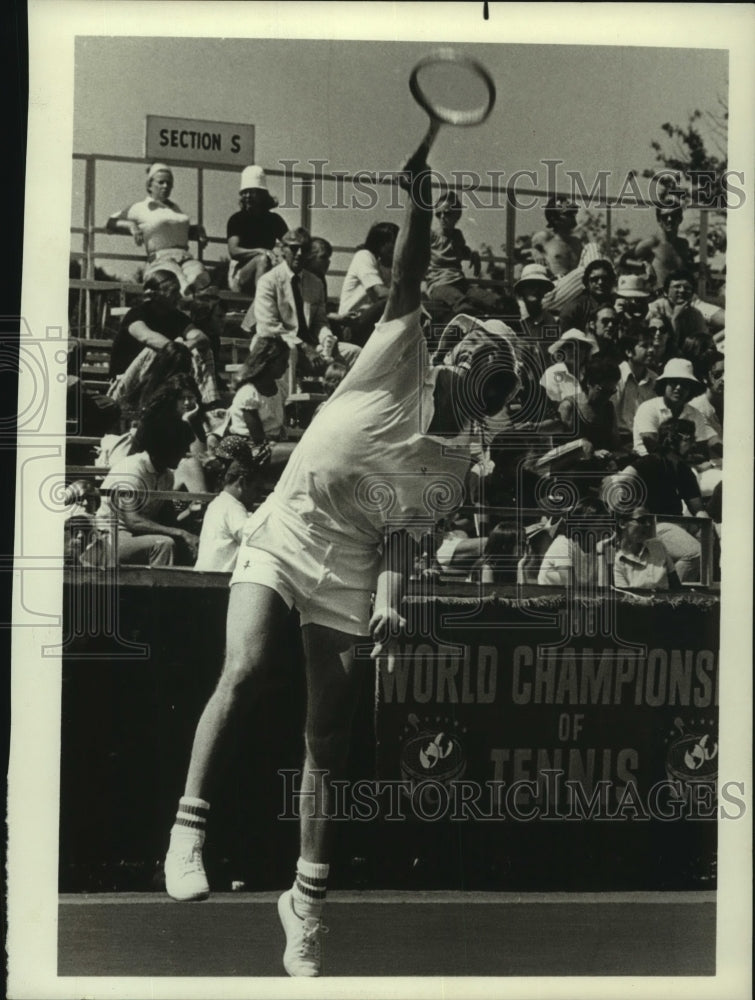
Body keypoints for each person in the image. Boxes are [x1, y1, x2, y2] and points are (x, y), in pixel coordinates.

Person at [162, 146, 521, 976]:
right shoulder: (400, 349)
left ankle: (306, 904)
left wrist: (393, 598)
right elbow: (406, 275)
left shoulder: (456, 455)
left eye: (487, 361)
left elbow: (401, 536)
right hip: (284, 528)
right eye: (466, 344)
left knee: (329, 735)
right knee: (246, 668)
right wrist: (422, 206)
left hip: (354, 563)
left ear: (492, 382)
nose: (468, 356)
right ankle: (187, 830)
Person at [252, 228, 360, 376]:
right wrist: (303, 347)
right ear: (283, 250)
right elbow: (269, 327)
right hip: (280, 345)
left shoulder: (315, 283)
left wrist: (327, 338)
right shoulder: (268, 281)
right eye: (294, 248)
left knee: (354, 353)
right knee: (282, 352)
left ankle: (341, 397)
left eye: (305, 249)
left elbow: (319, 322)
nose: (299, 254)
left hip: (311, 347)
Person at [97, 413, 199, 567]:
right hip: (109, 537)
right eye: (180, 447)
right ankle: (152, 591)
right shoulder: (131, 470)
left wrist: (190, 514)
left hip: (140, 535)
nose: (185, 453)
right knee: (163, 544)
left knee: (191, 546)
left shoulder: (166, 475)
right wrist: (180, 533)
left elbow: (167, 520)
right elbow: (133, 521)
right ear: (165, 447)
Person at [109, 269, 221, 406]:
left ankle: (209, 403)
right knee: (156, 349)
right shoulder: (137, 314)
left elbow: (201, 337)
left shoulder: (177, 317)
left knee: (201, 348)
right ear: (155, 294)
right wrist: (179, 347)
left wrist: (189, 345)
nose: (179, 296)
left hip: (157, 385)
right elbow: (147, 338)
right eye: (173, 292)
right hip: (125, 389)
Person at [619, 417, 709, 581]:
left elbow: (698, 508)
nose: (693, 444)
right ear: (673, 439)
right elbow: (622, 479)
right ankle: (673, 597)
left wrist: (706, 524)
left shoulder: (683, 470)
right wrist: (635, 509)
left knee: (709, 533)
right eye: (689, 439)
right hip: (655, 524)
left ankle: (703, 589)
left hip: (676, 523)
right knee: (695, 553)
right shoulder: (651, 461)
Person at [106, 163, 210, 298]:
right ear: (150, 185)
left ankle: (191, 295)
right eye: (161, 182)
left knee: (199, 274)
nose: (165, 186)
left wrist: (199, 230)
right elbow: (110, 223)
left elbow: (179, 230)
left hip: (185, 257)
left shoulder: (175, 208)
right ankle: (187, 297)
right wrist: (131, 226)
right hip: (161, 258)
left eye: (169, 183)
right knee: (177, 280)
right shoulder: (141, 207)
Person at [193, 436, 270, 573]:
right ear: (242, 483)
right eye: (256, 489)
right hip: (217, 581)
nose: (258, 496)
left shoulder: (219, 503)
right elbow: (253, 539)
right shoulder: (233, 507)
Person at [633, 357, 719, 456]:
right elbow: (651, 446)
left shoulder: (695, 414)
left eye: (684, 384)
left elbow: (701, 448)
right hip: (648, 462)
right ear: (664, 384)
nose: (678, 388)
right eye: (674, 382)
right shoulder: (648, 408)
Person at [531, 197, 602, 312]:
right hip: (554, 290)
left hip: (576, 291)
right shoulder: (544, 237)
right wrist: (535, 251)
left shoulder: (577, 241)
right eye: (568, 214)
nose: (573, 216)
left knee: (593, 248)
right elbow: (519, 252)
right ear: (554, 218)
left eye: (573, 213)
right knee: (591, 270)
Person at [226, 165, 288, 295]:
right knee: (262, 259)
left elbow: (289, 242)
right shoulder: (237, 219)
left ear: (262, 195)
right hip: (239, 274)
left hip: (267, 269)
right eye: (245, 192)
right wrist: (260, 251)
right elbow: (234, 251)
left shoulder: (274, 219)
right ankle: (261, 302)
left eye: (252, 192)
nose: (248, 196)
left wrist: (281, 257)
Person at [335, 222, 398, 346]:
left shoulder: (390, 266)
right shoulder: (364, 256)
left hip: (370, 323)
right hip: (351, 322)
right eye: (394, 244)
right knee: (389, 302)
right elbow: (381, 293)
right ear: (381, 244)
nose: (398, 248)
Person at [226, 335, 291, 443]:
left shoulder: (281, 387)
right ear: (268, 363)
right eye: (283, 361)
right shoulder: (249, 393)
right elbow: (257, 438)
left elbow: (279, 426)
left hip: (273, 444)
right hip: (250, 445)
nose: (287, 366)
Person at [611, 506, 681, 591]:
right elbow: (624, 597)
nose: (648, 524)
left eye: (649, 520)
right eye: (642, 520)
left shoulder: (658, 546)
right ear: (622, 524)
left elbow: (676, 587)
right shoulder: (615, 558)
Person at [629, 199, 694, 290]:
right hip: (658, 296)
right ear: (659, 220)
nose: (669, 219)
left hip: (679, 294)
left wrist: (701, 266)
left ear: (680, 219)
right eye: (665, 216)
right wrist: (644, 265)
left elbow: (682, 268)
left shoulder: (683, 244)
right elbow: (623, 259)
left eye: (674, 216)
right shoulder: (652, 242)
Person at [612, 331, 657, 444]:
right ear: (629, 352)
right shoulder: (617, 376)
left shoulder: (655, 379)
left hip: (647, 439)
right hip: (619, 440)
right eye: (645, 346)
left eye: (652, 345)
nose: (651, 350)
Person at [540, 328, 599, 405]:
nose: (575, 349)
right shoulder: (551, 375)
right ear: (562, 350)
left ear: (586, 351)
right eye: (570, 346)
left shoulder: (590, 374)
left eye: (580, 346)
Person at [558, 259, 616, 334]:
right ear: (587, 282)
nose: (600, 282)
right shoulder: (575, 308)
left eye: (605, 279)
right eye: (594, 279)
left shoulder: (616, 302)